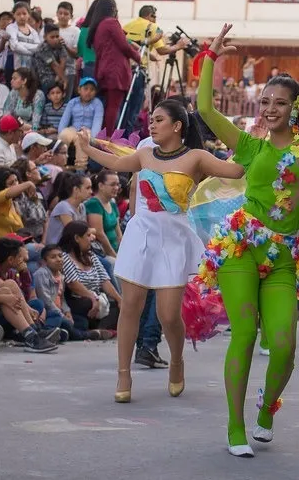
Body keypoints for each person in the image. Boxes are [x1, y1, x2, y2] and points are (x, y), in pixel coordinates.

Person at [195, 16, 299, 458]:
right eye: (264, 102)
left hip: (286, 256)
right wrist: (211, 56)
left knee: (285, 346)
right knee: (246, 333)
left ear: (296, 107)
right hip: (243, 248)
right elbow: (207, 111)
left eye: (279, 103)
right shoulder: (252, 147)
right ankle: (235, 425)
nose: (268, 109)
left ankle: (267, 410)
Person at [77, 97, 244, 402]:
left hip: (174, 237)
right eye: (151, 120)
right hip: (141, 234)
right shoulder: (143, 154)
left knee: (168, 315)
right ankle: (123, 375)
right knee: (130, 307)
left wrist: (256, 143)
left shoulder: (196, 157)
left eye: (159, 120)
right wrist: (87, 148)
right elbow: (115, 162)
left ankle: (177, 361)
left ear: (177, 126)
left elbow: (235, 172)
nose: (151, 125)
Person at [89, 0, 143, 132]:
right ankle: (108, 138)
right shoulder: (111, 23)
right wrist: (138, 57)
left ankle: (104, 135)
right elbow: (124, 45)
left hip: (104, 70)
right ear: (112, 9)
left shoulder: (98, 26)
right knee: (114, 107)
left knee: (108, 107)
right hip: (115, 71)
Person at [58, 221, 122, 331]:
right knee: (88, 304)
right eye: (88, 235)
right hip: (78, 300)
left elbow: (104, 280)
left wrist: (119, 299)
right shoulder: (65, 257)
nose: (92, 238)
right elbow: (73, 284)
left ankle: (98, 329)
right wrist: (93, 298)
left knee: (118, 305)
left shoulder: (91, 256)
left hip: (97, 300)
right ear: (77, 238)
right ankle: (99, 328)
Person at [0, 167, 36, 245]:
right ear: (1, 186)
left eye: (16, 180)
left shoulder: (12, 202)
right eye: (11, 183)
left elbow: (19, 230)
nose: (16, 184)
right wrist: (29, 183)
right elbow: (6, 193)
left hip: (15, 246)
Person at [84, 169, 122, 263]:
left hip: (115, 250)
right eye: (113, 184)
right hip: (102, 253)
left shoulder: (112, 204)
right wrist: (115, 257)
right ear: (101, 186)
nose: (116, 187)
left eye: (117, 184)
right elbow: (99, 234)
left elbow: (118, 232)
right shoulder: (93, 204)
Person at [45, 171, 91, 245]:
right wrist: (91, 231)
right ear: (76, 189)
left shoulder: (82, 206)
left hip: (74, 248)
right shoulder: (63, 207)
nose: (91, 191)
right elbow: (75, 233)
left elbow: (84, 231)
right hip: (58, 250)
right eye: (88, 188)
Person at [0, 2, 42, 79]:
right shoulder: (11, 28)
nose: (21, 16)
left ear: (29, 15)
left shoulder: (33, 31)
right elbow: (14, 46)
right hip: (13, 64)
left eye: (24, 13)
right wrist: (30, 51)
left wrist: (21, 45)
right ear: (14, 15)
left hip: (29, 66)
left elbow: (38, 48)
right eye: (18, 14)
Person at [32, 23, 67, 94]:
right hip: (44, 80)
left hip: (58, 76)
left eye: (57, 36)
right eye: (52, 37)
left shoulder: (59, 44)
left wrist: (59, 77)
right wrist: (64, 80)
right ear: (45, 37)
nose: (55, 39)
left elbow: (63, 60)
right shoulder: (42, 48)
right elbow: (54, 65)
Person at [56, 2, 80, 100]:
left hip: (69, 71)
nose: (62, 16)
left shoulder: (76, 31)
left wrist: (64, 45)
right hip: (50, 71)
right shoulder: (49, 28)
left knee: (66, 100)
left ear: (71, 16)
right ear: (56, 14)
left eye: (66, 14)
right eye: (60, 13)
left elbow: (76, 54)